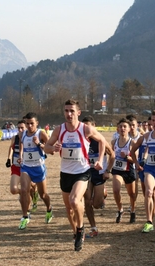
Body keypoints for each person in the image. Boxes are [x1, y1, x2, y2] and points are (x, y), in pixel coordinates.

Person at [44, 99, 107, 252]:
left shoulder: (86, 129)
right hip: (66, 173)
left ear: (78, 112)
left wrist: (99, 160)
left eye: (72, 111)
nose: (69, 114)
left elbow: (102, 141)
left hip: (82, 172)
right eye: (66, 111)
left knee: (74, 200)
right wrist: (53, 148)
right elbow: (46, 147)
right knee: (68, 208)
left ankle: (80, 229)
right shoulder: (59, 130)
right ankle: (76, 230)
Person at [18, 112, 53, 230]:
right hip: (26, 167)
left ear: (37, 123)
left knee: (43, 195)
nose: (29, 126)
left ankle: (49, 208)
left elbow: (51, 150)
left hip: (39, 167)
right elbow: (21, 147)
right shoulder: (22, 134)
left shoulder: (41, 134)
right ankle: (25, 216)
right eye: (27, 124)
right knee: (24, 190)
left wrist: (39, 144)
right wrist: (20, 156)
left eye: (32, 123)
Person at [81, 116, 115, 238]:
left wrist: (108, 171)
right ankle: (93, 227)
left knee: (96, 204)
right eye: (83, 126)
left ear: (94, 126)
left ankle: (103, 193)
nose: (86, 129)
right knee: (87, 202)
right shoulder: (81, 140)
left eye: (88, 126)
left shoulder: (100, 140)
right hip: (86, 173)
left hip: (100, 174)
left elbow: (112, 155)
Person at [6, 120, 39, 219]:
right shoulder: (14, 138)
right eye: (18, 128)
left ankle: (27, 211)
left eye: (22, 128)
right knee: (13, 189)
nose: (20, 130)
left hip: (28, 167)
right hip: (16, 167)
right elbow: (11, 148)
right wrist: (8, 158)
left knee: (31, 188)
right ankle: (26, 193)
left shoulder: (29, 138)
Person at [111, 118, 138, 224]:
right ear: (117, 129)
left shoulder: (133, 143)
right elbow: (111, 156)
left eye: (124, 126)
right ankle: (120, 209)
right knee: (116, 190)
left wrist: (127, 157)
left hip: (129, 170)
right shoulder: (114, 142)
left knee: (132, 194)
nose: (122, 128)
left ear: (129, 129)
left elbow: (135, 160)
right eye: (120, 126)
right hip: (117, 169)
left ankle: (133, 210)